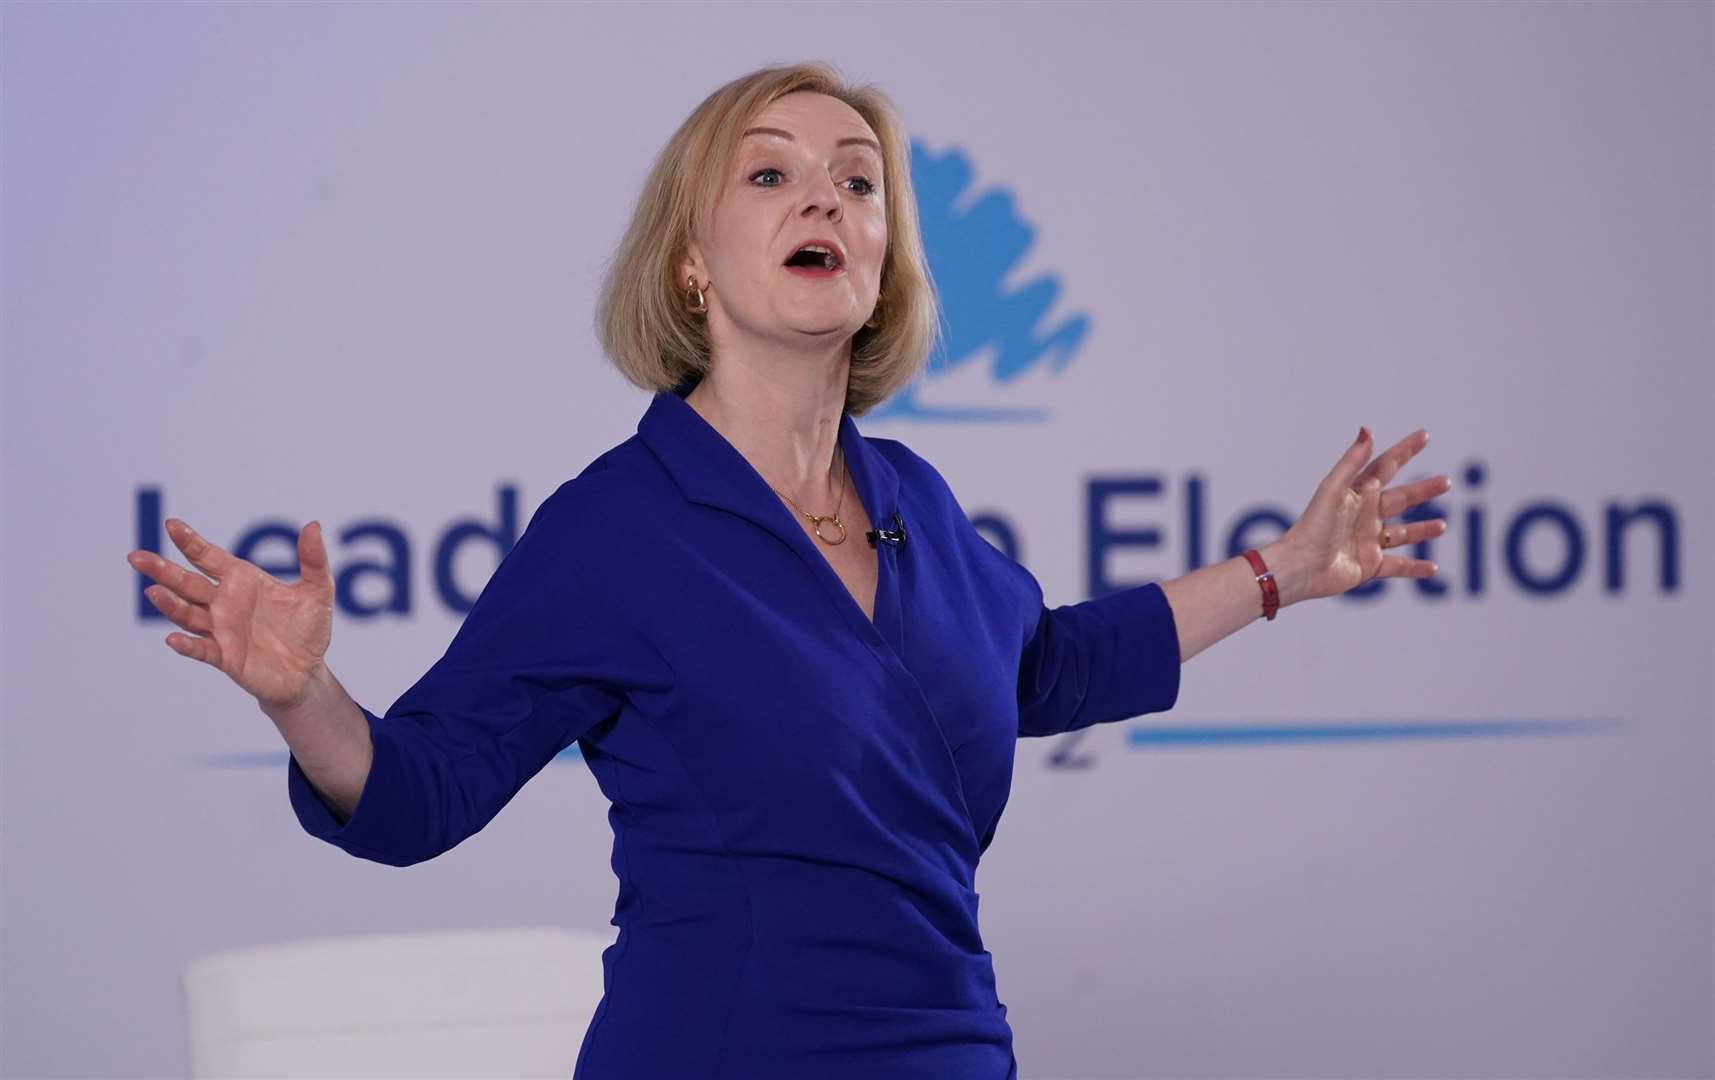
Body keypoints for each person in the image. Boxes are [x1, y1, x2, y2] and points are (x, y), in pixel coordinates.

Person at [125, 62, 1452, 1080]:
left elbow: (1038, 663)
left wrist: (1283, 570)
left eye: (857, 179)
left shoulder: (915, 502)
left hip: (949, 1052)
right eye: (769, 176)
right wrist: (300, 696)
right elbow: (420, 792)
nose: (823, 195)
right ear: (692, 265)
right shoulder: (617, 530)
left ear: (881, 266)